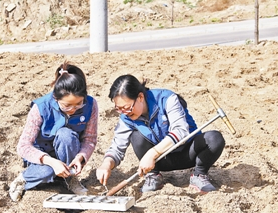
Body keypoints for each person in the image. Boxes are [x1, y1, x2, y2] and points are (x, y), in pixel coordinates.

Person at [96, 74, 225, 193]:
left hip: (189, 153)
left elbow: (180, 131)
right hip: (160, 161)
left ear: (140, 97)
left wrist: (152, 153)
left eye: (127, 107)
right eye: (119, 108)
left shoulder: (167, 98)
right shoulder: (126, 117)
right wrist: (106, 164)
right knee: (136, 136)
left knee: (214, 138)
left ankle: (199, 174)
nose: (124, 112)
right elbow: (118, 147)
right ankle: (153, 176)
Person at [9, 61, 98, 202]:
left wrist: (80, 157)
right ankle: (23, 180)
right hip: (42, 156)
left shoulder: (91, 105)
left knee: (66, 134)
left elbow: (90, 139)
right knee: (47, 171)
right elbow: (23, 146)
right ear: (56, 98)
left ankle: (69, 178)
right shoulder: (40, 107)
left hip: (68, 151)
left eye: (79, 103)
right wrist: (50, 161)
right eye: (67, 105)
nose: (74, 109)